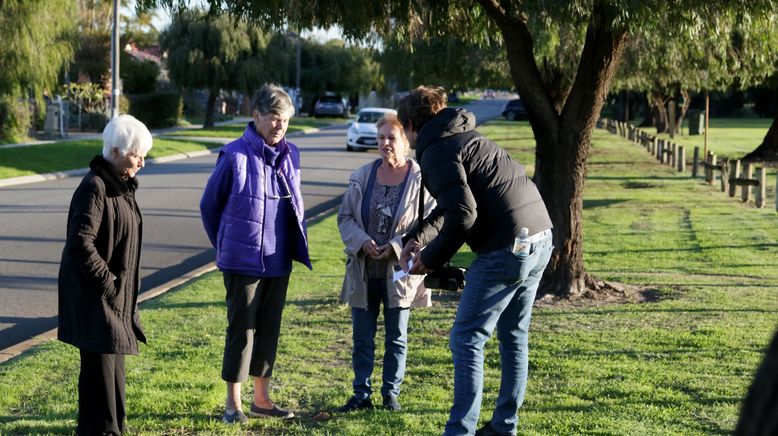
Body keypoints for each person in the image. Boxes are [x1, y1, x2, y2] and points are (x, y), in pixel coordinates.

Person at [397, 86, 554, 436]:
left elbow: (464, 215)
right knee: (514, 335)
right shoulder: (462, 135)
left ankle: (460, 431)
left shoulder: (436, 150)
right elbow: (451, 206)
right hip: (540, 235)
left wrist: (430, 261)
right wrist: (416, 239)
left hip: (506, 246)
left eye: (403, 130)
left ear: (410, 125)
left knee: (467, 338)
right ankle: (503, 428)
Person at [200, 83, 311, 424]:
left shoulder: (291, 154)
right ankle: (233, 405)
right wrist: (227, 245)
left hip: (279, 260)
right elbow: (209, 206)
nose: (280, 126)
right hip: (242, 262)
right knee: (242, 330)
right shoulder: (233, 155)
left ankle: (262, 399)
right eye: (275, 118)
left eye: (286, 120)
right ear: (257, 116)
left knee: (269, 330)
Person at [58, 114, 152, 435]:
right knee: (101, 400)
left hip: (114, 307)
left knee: (114, 394)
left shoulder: (121, 187)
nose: (141, 161)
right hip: (98, 306)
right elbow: (80, 243)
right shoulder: (95, 188)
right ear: (114, 152)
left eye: (143, 155)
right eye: (136, 154)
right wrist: (110, 285)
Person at [336, 115, 435, 413]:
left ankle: (390, 394)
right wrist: (363, 241)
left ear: (405, 140)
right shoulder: (362, 175)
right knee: (362, 338)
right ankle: (361, 395)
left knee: (397, 338)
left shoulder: (420, 179)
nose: (384, 143)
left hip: (399, 273)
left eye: (391, 137)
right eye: (380, 138)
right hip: (365, 270)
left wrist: (394, 247)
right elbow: (345, 218)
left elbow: (430, 222)